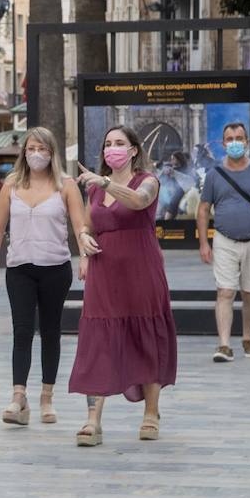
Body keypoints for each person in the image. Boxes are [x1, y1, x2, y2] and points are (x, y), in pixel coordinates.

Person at [70, 126, 177, 446]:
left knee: (146, 336)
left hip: (141, 269)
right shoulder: (94, 190)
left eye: (119, 143)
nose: (112, 148)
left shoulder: (148, 180)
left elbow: (139, 201)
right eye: (107, 144)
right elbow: (88, 225)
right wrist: (83, 238)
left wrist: (105, 182)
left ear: (133, 150)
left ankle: (151, 414)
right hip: (104, 273)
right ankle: (93, 421)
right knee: (98, 340)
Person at [0, 127, 93, 426]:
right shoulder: (11, 184)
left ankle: (47, 396)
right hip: (19, 268)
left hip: (55, 269)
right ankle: (19, 397)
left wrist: (85, 258)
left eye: (42, 149)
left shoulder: (66, 185)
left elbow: (80, 226)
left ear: (51, 152)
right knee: (21, 331)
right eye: (32, 148)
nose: (36, 154)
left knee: (50, 331)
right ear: (24, 152)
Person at [197, 122, 250, 362]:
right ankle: (224, 345)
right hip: (224, 240)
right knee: (225, 291)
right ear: (223, 143)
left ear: (247, 142)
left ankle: (247, 338)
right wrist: (204, 243)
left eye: (239, 138)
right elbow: (203, 209)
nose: (235, 142)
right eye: (230, 139)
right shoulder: (214, 174)